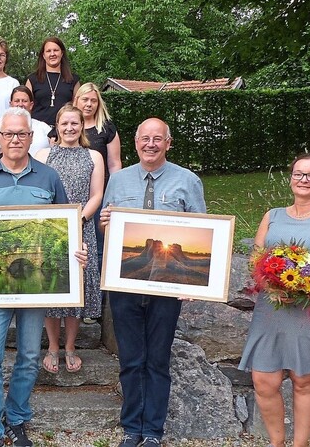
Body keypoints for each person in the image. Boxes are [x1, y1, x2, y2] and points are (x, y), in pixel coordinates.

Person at [0, 107, 87, 447]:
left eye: (21, 134)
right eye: (8, 134)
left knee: (27, 356)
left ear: (30, 137)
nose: (15, 139)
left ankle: (17, 417)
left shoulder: (48, 177)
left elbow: (64, 227)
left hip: (36, 286)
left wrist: (76, 252)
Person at [99, 118, 205, 447]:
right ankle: (132, 428)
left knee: (158, 359)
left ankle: (153, 433)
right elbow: (108, 229)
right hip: (125, 284)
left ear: (168, 144)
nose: (151, 144)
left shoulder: (187, 180)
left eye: (158, 139)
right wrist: (104, 223)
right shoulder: (117, 180)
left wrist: (192, 286)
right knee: (131, 359)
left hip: (167, 285)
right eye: (145, 138)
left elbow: (203, 231)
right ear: (135, 142)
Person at [239, 153, 310, 447]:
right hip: (272, 308)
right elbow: (257, 258)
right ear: (290, 178)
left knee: (305, 381)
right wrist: (271, 281)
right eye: (298, 174)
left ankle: (299, 444)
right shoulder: (273, 216)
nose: (304, 180)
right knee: (264, 381)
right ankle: (276, 443)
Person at [34, 104, 104, 374]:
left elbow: (96, 194)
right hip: (51, 229)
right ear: (57, 125)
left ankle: (70, 346)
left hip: (82, 227)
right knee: (54, 287)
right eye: (65, 123)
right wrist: (56, 223)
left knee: (77, 289)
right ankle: (53, 346)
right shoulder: (43, 155)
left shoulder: (94, 156)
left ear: (82, 125)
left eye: (75, 123)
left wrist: (78, 221)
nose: (70, 128)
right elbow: (38, 192)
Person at [74, 82, 122, 275]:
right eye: (85, 99)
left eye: (93, 100)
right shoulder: (65, 126)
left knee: (100, 247)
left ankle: (100, 300)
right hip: (73, 195)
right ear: (76, 100)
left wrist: (114, 195)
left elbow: (115, 164)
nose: (89, 104)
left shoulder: (107, 129)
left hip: (100, 196)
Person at [25, 37, 80, 128]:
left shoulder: (73, 80)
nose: (52, 54)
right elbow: (26, 108)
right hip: (37, 130)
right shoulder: (32, 79)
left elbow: (77, 108)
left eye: (56, 50)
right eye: (48, 51)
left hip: (65, 130)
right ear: (43, 55)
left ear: (62, 53)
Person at [9, 86, 51, 156]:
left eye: (24, 101)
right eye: (17, 101)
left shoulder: (43, 128)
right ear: (11, 104)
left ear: (31, 105)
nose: (20, 104)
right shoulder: (1, 128)